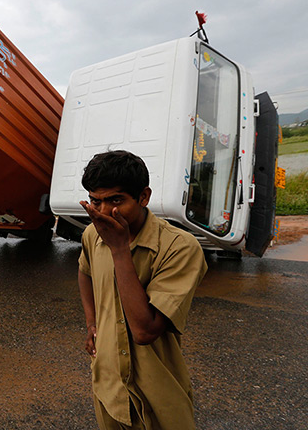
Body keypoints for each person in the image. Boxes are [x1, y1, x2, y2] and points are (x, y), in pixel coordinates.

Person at [78, 150, 207, 430]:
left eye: (115, 200)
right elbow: (84, 271)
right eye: (94, 200)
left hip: (158, 392)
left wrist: (119, 249)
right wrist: (91, 322)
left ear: (143, 197)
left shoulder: (180, 248)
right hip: (108, 385)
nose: (102, 212)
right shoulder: (92, 234)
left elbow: (144, 331)